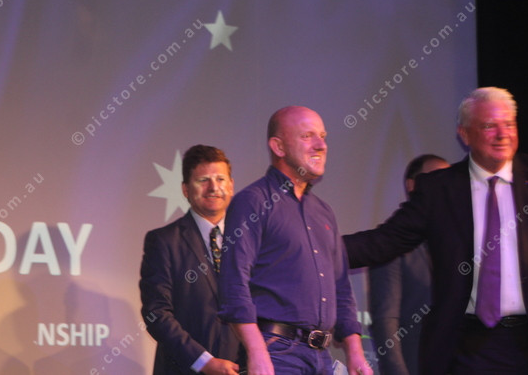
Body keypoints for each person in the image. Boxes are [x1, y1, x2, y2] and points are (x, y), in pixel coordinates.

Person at [343, 87, 528, 375]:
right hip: (470, 347)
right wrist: (317, 250)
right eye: (490, 126)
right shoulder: (438, 188)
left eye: (509, 124)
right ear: (465, 134)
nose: (502, 134)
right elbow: (385, 241)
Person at [218, 106, 372, 375]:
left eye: (323, 136)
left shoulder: (323, 212)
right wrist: (257, 352)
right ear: (278, 147)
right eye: (307, 136)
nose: (321, 145)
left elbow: (341, 288)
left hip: (321, 357)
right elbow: (234, 283)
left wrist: (355, 353)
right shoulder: (252, 202)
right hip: (276, 353)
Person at [140, 145, 241, 375]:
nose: (214, 187)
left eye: (220, 179)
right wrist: (204, 362)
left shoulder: (250, 240)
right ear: (185, 189)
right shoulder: (163, 241)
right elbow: (157, 313)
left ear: (231, 186)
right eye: (203, 180)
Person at [368, 154, 449, 375]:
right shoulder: (391, 243)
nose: (446, 187)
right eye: (437, 178)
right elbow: (386, 320)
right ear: (412, 186)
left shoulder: (458, 243)